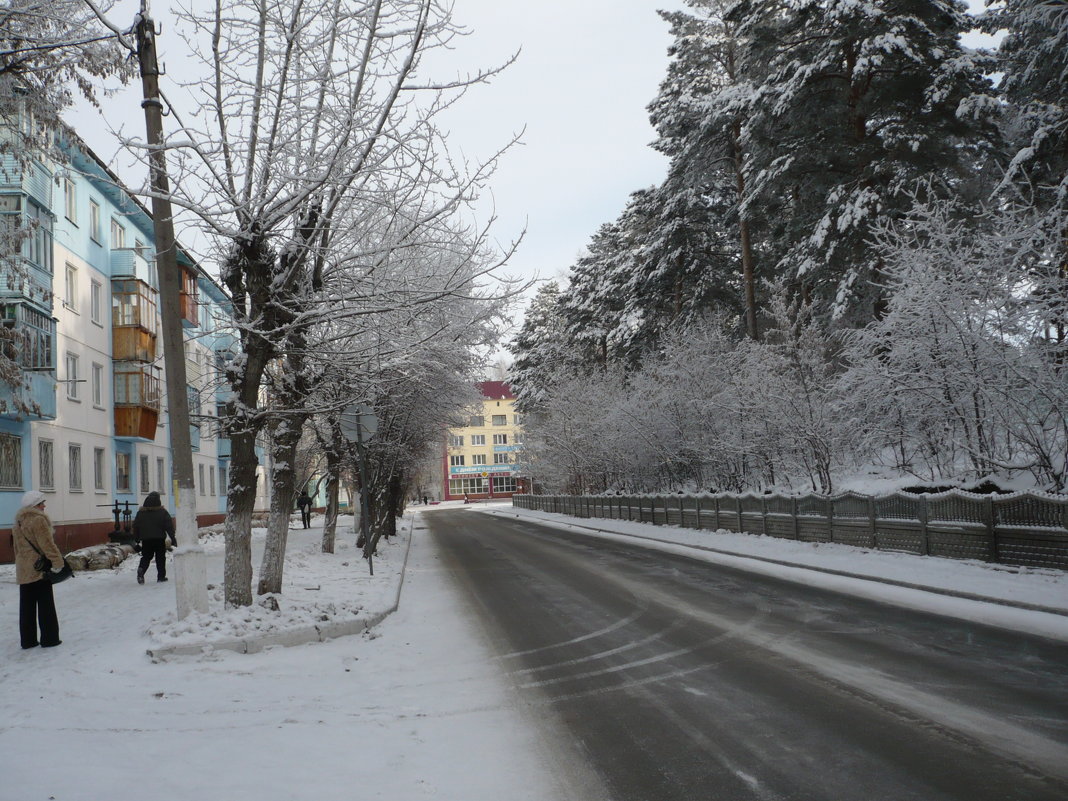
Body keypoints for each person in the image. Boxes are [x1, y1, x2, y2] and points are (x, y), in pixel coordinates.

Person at [12, 490, 64, 649]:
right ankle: (50, 639)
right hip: (39, 569)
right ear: (34, 505)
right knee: (45, 604)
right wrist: (58, 563)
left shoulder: (19, 522)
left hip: (24, 569)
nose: (44, 506)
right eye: (41, 503)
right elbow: (47, 545)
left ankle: (28, 641)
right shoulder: (38, 521)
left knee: (26, 607)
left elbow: (16, 549)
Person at [132, 491, 176, 584]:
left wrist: (137, 538)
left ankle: (141, 569)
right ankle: (161, 577)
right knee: (160, 557)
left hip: (146, 540)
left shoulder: (140, 513)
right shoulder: (162, 512)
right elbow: (169, 526)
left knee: (146, 556)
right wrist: (173, 538)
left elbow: (136, 526)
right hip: (159, 539)